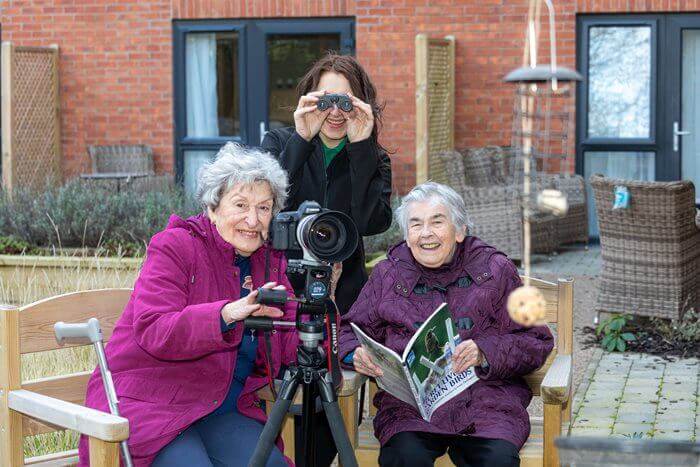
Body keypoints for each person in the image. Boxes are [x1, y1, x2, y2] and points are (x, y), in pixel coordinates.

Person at [79, 142, 298, 467]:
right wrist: (226, 313)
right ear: (213, 207)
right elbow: (155, 329)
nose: (253, 220)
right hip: (152, 399)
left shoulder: (269, 263)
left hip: (221, 407)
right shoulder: (175, 247)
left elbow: (292, 343)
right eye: (240, 204)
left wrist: (325, 323)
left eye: (264, 208)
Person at [339, 182, 554, 467]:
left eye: (436, 222)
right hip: (411, 410)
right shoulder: (388, 274)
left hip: (486, 404)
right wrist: (355, 354)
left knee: (496, 461)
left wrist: (484, 351)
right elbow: (347, 331)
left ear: (460, 230)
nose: (426, 234)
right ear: (406, 235)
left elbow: (535, 340)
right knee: (404, 458)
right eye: (416, 225)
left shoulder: (496, 270)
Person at [261, 53, 393, 466]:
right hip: (281, 294)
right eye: (325, 101)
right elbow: (264, 211)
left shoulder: (375, 158)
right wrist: (301, 140)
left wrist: (361, 149)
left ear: (363, 105)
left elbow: (371, 221)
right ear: (307, 101)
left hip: (341, 301)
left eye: (346, 102)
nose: (335, 113)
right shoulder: (281, 145)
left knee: (325, 419)